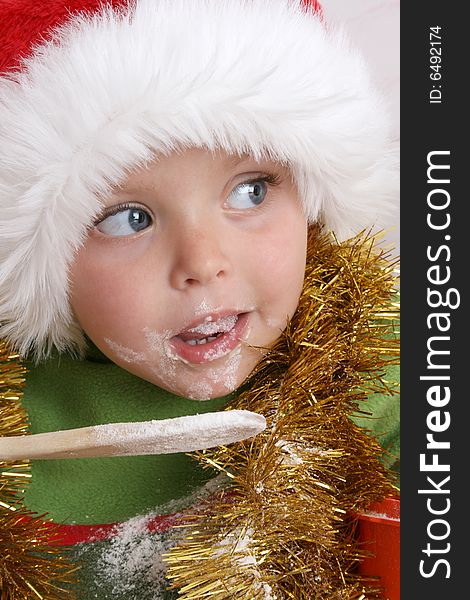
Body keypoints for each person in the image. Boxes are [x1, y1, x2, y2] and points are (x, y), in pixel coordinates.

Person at [0, 1, 399, 598]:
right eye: (127, 219)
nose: (204, 263)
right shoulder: (19, 422)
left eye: (250, 191)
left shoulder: (386, 376)